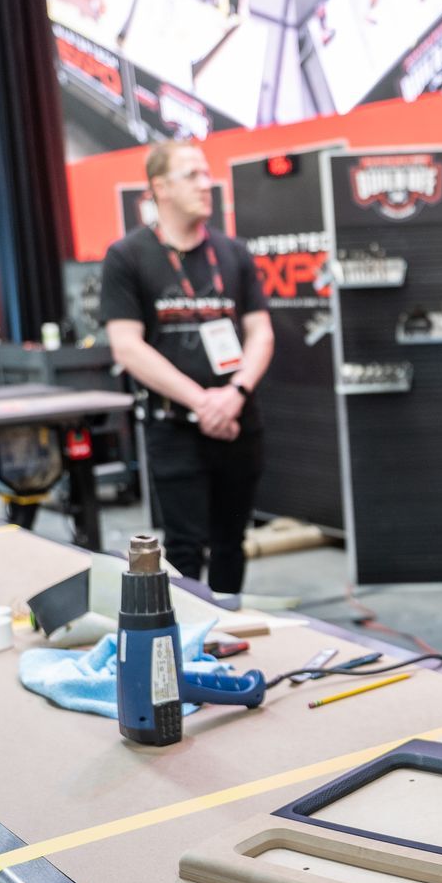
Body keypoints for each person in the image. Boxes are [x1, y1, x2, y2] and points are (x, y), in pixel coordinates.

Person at [100, 141, 274, 592]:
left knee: (231, 542)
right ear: (160, 187)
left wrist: (234, 395)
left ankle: (228, 632)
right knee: (183, 545)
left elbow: (261, 332)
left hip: (238, 422)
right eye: (192, 175)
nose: (206, 184)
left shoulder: (233, 253)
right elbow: (127, 347)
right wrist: (202, 404)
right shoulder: (128, 255)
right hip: (175, 426)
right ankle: (186, 641)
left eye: (206, 173)